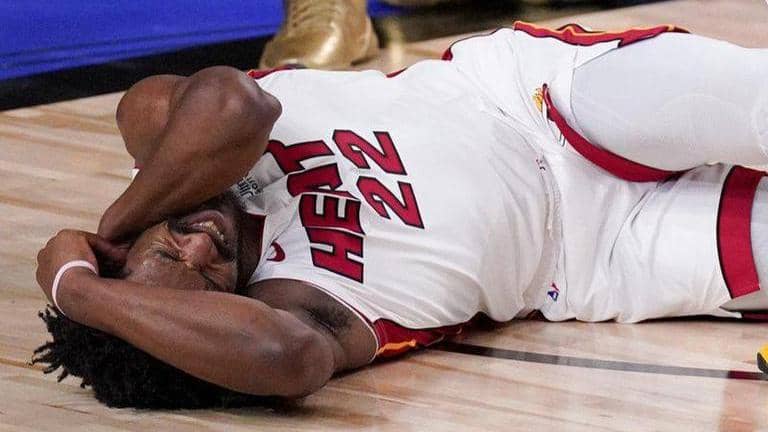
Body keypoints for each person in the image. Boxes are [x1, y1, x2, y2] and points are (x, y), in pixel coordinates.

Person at [34, 21, 768, 408]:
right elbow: (285, 359)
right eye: (205, 281)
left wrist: (118, 225)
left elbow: (236, 102)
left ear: (118, 250)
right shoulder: (298, 305)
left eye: (166, 253)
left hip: (532, 100)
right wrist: (82, 292)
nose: (199, 250)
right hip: (597, 257)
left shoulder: (169, 146)